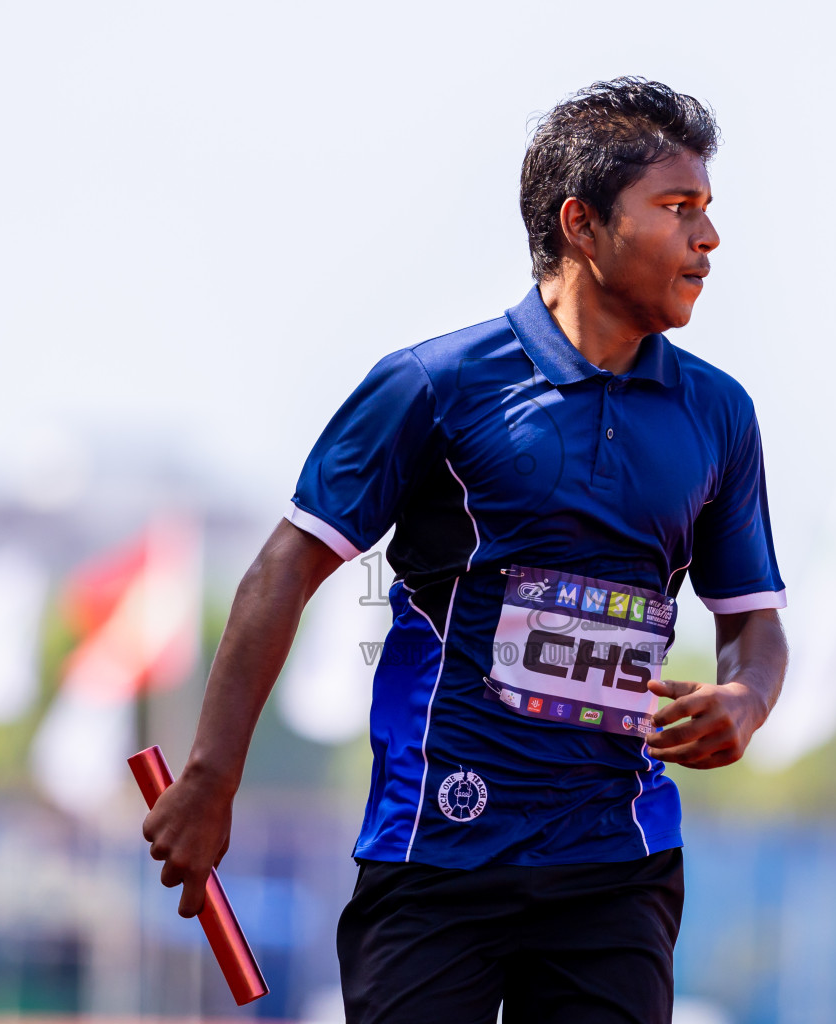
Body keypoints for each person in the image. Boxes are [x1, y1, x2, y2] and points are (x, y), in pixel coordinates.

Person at [141, 76, 790, 1024]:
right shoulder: (432, 387)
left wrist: (748, 698)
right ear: (583, 223)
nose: (708, 239)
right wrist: (210, 777)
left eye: (708, 210)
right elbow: (286, 568)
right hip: (438, 848)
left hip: (618, 863)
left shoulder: (719, 414)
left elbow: (754, 627)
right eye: (677, 208)